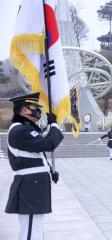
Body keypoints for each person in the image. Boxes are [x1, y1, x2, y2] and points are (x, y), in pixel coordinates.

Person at [5, 92, 64, 240]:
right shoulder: (20, 130)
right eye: (35, 107)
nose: (38, 111)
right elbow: (47, 144)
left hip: (33, 183)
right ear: (25, 110)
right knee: (31, 229)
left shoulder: (25, 129)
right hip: (30, 185)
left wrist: (50, 171)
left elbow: (38, 154)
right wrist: (55, 124)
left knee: (34, 227)